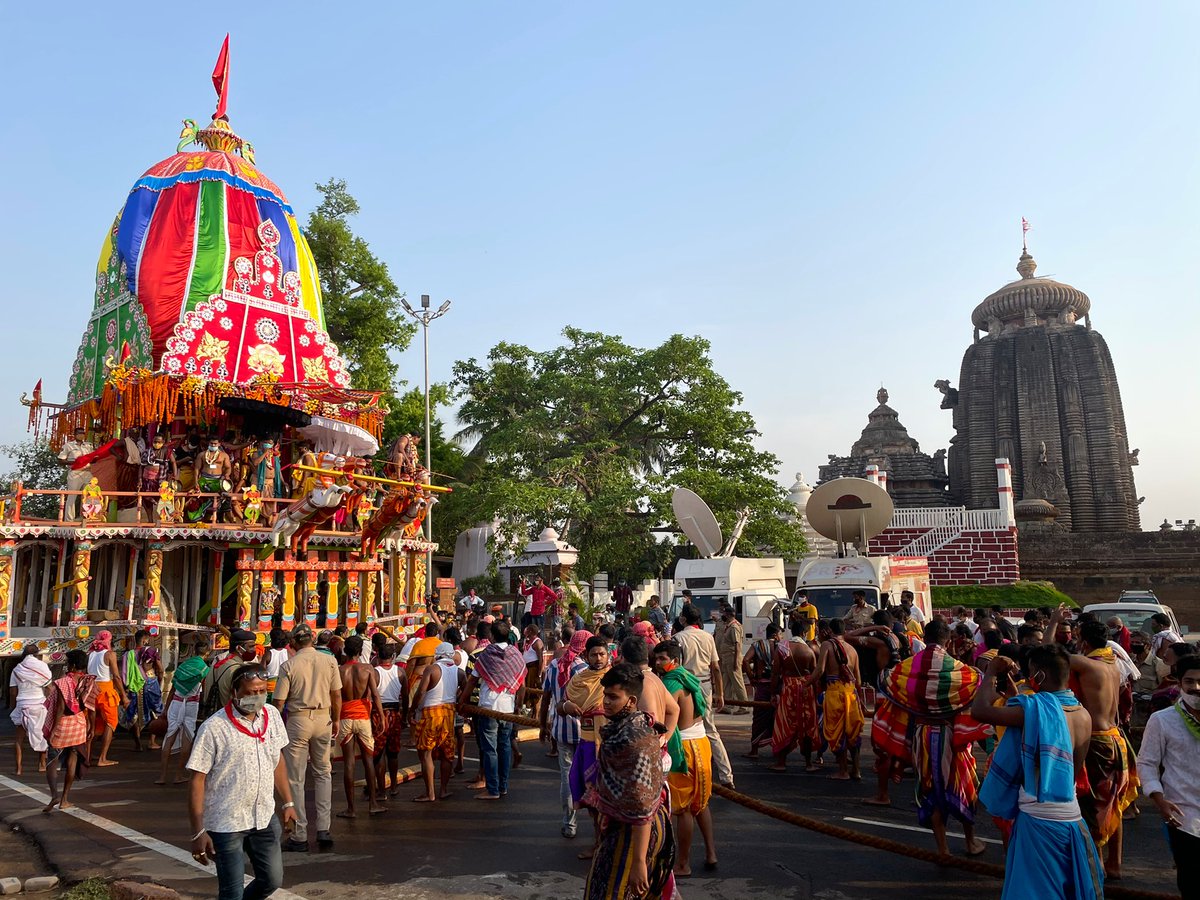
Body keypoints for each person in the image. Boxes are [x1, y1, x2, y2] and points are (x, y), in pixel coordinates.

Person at [974, 645, 1103, 900]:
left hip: (1038, 820)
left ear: (1040, 676)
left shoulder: (1035, 710)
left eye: (1031, 672)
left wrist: (989, 673)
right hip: (1072, 818)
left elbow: (980, 711)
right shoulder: (1083, 714)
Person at [876, 619, 988, 856]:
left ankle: (942, 849)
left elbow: (886, 679)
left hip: (923, 736)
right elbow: (978, 680)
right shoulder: (957, 669)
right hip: (952, 738)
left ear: (924, 639)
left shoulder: (908, 666)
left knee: (930, 789)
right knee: (964, 787)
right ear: (947, 641)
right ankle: (970, 842)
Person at [187, 665, 296, 900]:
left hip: (263, 817)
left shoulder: (272, 716)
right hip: (226, 823)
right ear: (233, 693)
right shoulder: (213, 728)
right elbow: (197, 779)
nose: (256, 697)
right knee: (232, 892)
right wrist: (198, 831)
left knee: (272, 880)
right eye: (249, 693)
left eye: (261, 691)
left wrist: (288, 803)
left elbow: (276, 760)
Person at [1044, 611, 1139, 880]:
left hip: (1096, 741)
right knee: (1115, 804)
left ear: (1083, 640)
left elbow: (1048, 652)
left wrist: (1052, 622)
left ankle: (1095, 864)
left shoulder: (1087, 665)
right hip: (1117, 739)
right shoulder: (1113, 664)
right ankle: (1114, 863)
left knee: (1092, 805)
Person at [582, 663, 676, 900]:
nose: (606, 702)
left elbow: (641, 808)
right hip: (628, 826)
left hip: (633, 834)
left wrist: (638, 863)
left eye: (613, 697)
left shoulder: (633, 742)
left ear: (632, 701)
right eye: (605, 695)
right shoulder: (631, 728)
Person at [272, 623, 341, 852]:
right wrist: (337, 719)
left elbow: (279, 702)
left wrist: (276, 726)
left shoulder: (289, 665)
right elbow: (336, 694)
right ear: (312, 638)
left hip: (298, 720)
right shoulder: (329, 660)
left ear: (293, 642)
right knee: (323, 773)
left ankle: (299, 834)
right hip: (324, 718)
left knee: (296, 778)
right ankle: (324, 828)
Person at [1137, 655, 1200, 897]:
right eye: (1190, 681)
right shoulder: (1162, 720)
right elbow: (1147, 763)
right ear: (1179, 683)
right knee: (1191, 883)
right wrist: (1158, 799)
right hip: (1184, 817)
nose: (1196, 687)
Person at [654, 640, 717, 877]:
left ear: (676, 660)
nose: (658, 663)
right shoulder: (689, 678)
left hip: (684, 747)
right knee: (701, 803)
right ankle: (711, 853)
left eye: (663, 659)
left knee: (682, 810)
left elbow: (663, 716)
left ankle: (682, 863)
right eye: (657, 658)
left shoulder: (670, 683)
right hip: (701, 743)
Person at [460, 621, 526, 800]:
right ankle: (502, 787)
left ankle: (493, 789)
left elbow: (472, 681)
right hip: (508, 708)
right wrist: (518, 706)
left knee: (490, 750)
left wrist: (461, 702)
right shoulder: (516, 654)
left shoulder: (487, 654)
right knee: (504, 747)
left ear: (492, 637)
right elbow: (522, 685)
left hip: (488, 707)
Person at [672, 604, 735, 788]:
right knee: (710, 730)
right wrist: (720, 693)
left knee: (681, 729)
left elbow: (676, 666)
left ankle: (685, 772)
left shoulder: (678, 638)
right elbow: (716, 667)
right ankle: (726, 775)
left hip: (685, 685)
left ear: (683, 619)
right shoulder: (708, 637)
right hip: (705, 685)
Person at [849, 611, 908, 805]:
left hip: (885, 694)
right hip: (897, 690)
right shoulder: (898, 639)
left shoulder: (880, 642)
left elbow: (847, 637)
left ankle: (883, 794)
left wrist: (872, 628)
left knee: (882, 743)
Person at [564, 636, 613, 859]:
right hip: (586, 743)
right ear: (586, 656)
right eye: (594, 654)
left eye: (602, 653)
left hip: (611, 745)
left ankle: (612, 846)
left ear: (608, 654)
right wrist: (566, 705)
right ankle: (598, 843)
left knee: (612, 798)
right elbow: (559, 704)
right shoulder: (578, 679)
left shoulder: (616, 678)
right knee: (592, 799)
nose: (598, 658)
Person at [540, 629, 590, 838]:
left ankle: (569, 824)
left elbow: (546, 697)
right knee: (592, 779)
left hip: (561, 730)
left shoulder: (554, 665)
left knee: (567, 779)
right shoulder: (585, 670)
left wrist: (543, 725)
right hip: (586, 732)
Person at [43, 649, 97, 812]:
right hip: (79, 724)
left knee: (52, 761)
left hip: (62, 725)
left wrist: (53, 729)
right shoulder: (90, 682)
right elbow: (92, 708)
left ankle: (54, 795)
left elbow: (59, 707)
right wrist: (92, 727)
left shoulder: (62, 682)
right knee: (72, 762)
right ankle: (65, 799)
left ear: (72, 665)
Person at [338, 635, 385, 818]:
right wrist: (381, 716)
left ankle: (351, 809)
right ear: (360, 651)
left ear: (345, 651)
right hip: (363, 717)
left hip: (345, 717)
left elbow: (334, 696)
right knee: (368, 760)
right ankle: (373, 804)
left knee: (349, 763)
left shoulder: (340, 670)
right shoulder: (367, 669)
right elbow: (375, 694)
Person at [813, 618, 864, 781]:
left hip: (835, 692)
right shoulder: (853, 650)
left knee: (838, 732)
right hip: (851, 694)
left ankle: (843, 771)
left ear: (829, 630)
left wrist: (805, 683)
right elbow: (859, 681)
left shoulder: (827, 645)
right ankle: (856, 770)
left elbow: (820, 671)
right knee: (853, 733)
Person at [410, 642, 461, 803]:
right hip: (449, 713)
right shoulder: (459, 672)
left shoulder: (432, 669)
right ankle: (443, 790)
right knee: (447, 755)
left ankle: (430, 792)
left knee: (426, 753)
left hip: (431, 713)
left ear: (437, 655)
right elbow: (465, 690)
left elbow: (421, 691)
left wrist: (412, 709)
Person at [158, 638, 211, 786]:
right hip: (191, 704)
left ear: (194, 651)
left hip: (176, 702)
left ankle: (162, 776)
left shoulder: (183, 666)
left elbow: (173, 688)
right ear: (207, 653)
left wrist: (165, 709)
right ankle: (178, 775)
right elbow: (205, 690)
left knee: (169, 737)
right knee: (188, 737)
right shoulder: (204, 669)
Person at [769, 624, 821, 773]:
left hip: (789, 688)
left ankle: (781, 762)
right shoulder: (810, 651)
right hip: (806, 688)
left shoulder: (783, 647)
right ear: (804, 633)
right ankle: (809, 763)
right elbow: (815, 675)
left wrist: (773, 693)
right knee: (807, 724)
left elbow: (775, 673)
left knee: (785, 723)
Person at [87, 630, 128, 767]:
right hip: (105, 691)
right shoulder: (110, 654)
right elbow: (116, 676)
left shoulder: (91, 654)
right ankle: (102, 758)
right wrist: (123, 695)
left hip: (92, 690)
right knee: (110, 723)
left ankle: (87, 755)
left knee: (93, 725)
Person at [9, 644, 51, 775]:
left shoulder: (17, 669)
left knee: (19, 739)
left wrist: (13, 707)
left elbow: (12, 691)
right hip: (39, 704)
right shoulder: (42, 666)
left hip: (22, 705)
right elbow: (49, 687)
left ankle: (18, 769)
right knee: (41, 735)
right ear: (37, 654)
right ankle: (42, 764)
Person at [741, 622, 781, 758]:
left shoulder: (758, 645)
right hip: (777, 687)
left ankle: (754, 750)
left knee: (759, 718)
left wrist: (752, 678)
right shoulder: (780, 646)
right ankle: (779, 751)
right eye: (780, 634)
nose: (781, 637)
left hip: (762, 685)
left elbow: (745, 660)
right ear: (775, 635)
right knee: (778, 717)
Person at [121, 629, 165, 751]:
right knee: (156, 711)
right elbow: (160, 669)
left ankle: (138, 744)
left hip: (134, 685)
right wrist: (159, 681)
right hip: (150, 681)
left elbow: (124, 673)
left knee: (134, 714)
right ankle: (152, 742)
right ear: (145, 640)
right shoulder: (151, 651)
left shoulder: (127, 654)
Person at [372, 643, 406, 797]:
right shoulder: (400, 672)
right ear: (392, 657)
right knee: (393, 753)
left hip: (378, 715)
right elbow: (405, 698)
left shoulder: (374, 673)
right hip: (394, 714)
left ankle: (381, 789)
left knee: (378, 753)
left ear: (378, 657)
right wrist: (404, 716)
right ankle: (393, 786)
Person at [714, 606, 749, 714]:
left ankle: (744, 706)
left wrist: (736, 662)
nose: (722, 616)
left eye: (724, 614)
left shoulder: (734, 627)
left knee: (737, 682)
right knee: (726, 682)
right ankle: (727, 705)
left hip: (732, 657)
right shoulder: (728, 626)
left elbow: (737, 645)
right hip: (726, 658)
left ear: (728, 615)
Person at [58, 426, 95, 520]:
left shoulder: (89, 445)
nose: (81, 435)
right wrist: (75, 462)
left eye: (83, 433)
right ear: (75, 435)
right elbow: (61, 460)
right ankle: (69, 520)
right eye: (79, 433)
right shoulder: (68, 446)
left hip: (87, 472)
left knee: (90, 496)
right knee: (72, 496)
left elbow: (93, 458)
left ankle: (87, 518)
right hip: (75, 473)